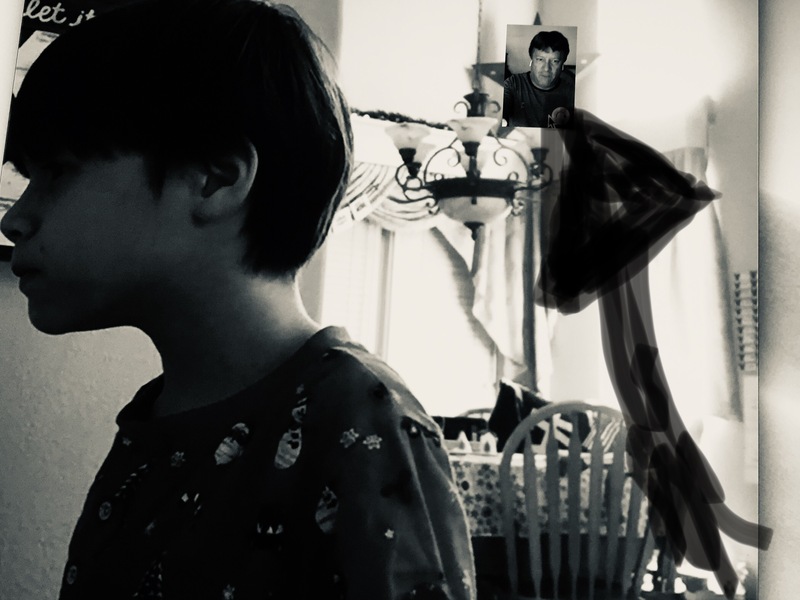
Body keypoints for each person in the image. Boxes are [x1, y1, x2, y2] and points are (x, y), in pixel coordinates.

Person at [0, 0, 476, 598]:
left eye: (58, 172)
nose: (16, 219)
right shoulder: (156, 422)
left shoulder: (363, 424)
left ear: (215, 180)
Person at [503, 30, 576, 129]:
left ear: (562, 65)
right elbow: (500, 109)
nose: (546, 68)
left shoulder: (572, 92)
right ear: (532, 61)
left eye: (555, 61)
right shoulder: (513, 84)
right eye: (540, 59)